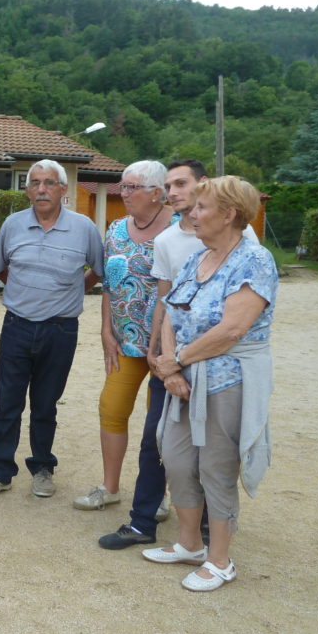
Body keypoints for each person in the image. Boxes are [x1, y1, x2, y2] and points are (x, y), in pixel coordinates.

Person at [99, 159, 257, 548]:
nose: (173, 193)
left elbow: (235, 324)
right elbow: (166, 304)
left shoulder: (247, 244)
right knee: (160, 440)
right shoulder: (175, 243)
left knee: (214, 451)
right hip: (167, 359)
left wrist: (178, 360)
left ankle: (209, 536)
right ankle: (144, 521)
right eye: (169, 185)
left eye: (180, 184)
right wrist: (161, 358)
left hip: (220, 367)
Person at [145, 176, 277, 592]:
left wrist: (177, 362)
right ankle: (188, 544)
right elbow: (170, 311)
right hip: (182, 377)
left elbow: (232, 329)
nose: (191, 213)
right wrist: (170, 369)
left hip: (227, 381)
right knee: (178, 459)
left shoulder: (255, 260)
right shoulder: (195, 259)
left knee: (216, 467)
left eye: (201, 208)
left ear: (230, 214)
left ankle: (219, 560)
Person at [0, 161, 103, 500]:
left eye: (49, 183)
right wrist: (24, 292)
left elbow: (97, 271)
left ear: (64, 190)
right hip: (17, 325)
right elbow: (0, 270)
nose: (42, 189)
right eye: (34, 183)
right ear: (28, 190)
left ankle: (43, 468)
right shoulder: (13, 225)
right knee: (7, 402)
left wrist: (74, 291)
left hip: (61, 330)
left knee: (46, 404)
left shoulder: (84, 228)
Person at [74, 160, 174, 511]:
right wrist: (105, 330)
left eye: (132, 187)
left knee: (158, 424)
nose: (124, 193)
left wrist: (165, 344)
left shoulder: (180, 231)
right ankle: (110, 486)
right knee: (112, 409)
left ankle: (157, 495)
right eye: (123, 185)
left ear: (156, 193)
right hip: (125, 341)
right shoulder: (116, 229)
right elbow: (109, 284)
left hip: (165, 347)